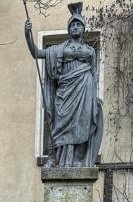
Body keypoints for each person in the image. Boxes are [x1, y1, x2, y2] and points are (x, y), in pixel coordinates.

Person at [25, 2, 103, 168]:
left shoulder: (90, 51)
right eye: (72, 25)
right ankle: (53, 159)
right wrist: (27, 35)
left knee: (83, 125)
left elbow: (95, 74)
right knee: (58, 124)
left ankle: (79, 160)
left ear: (83, 29)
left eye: (78, 25)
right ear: (69, 29)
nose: (75, 27)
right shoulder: (58, 49)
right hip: (65, 92)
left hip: (85, 90)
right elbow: (37, 53)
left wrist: (95, 96)